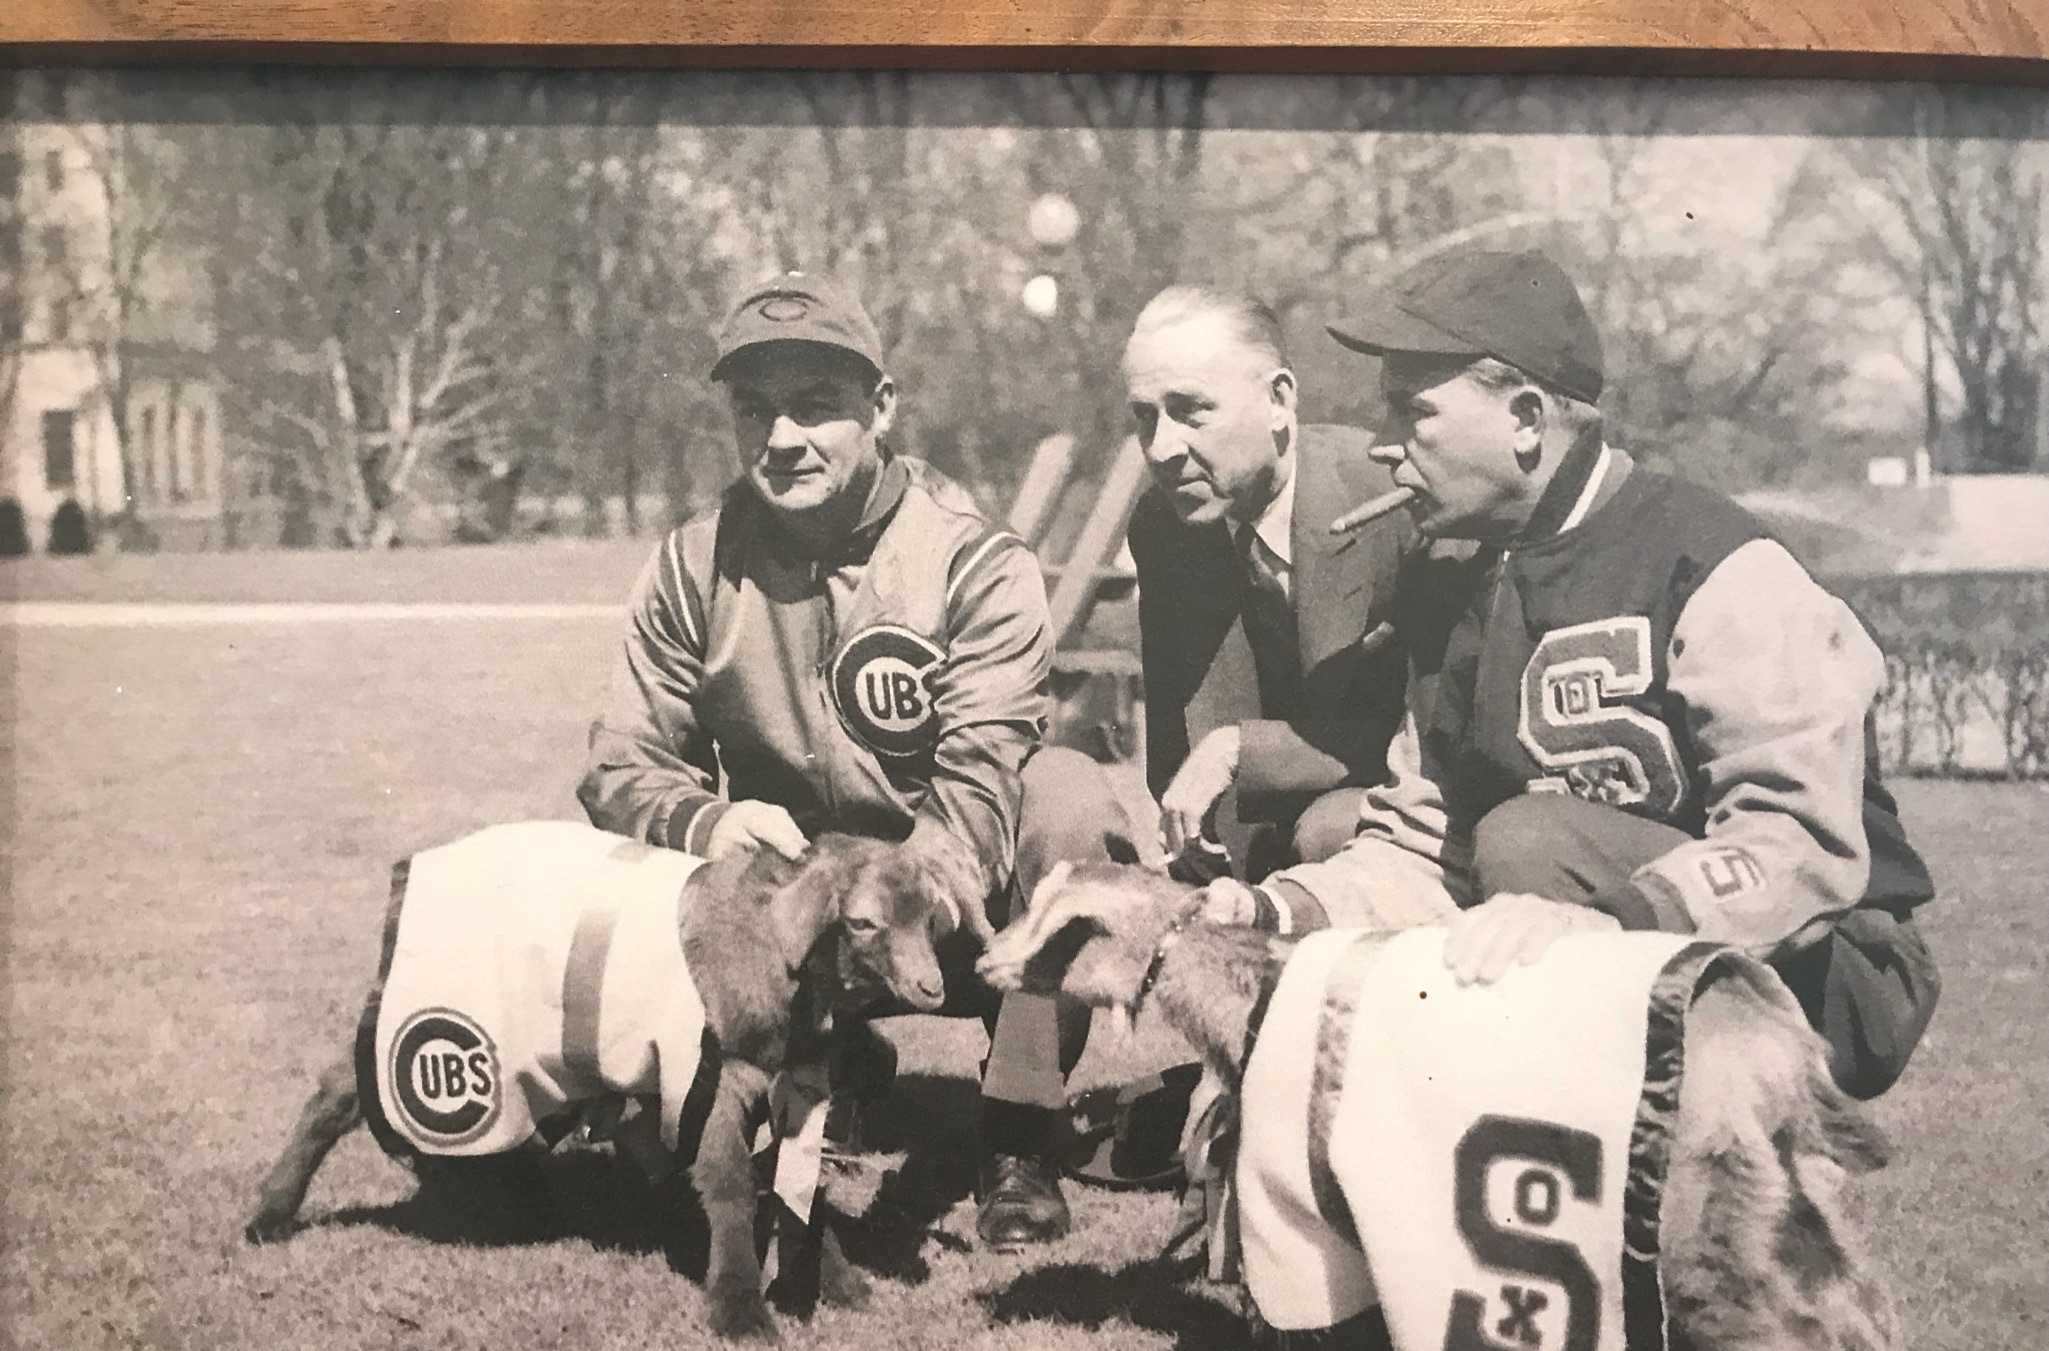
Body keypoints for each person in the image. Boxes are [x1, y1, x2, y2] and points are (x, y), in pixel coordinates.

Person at [1205, 248, 1939, 1100]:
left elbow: (1800, 848)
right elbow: (1423, 840)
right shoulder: (1454, 580)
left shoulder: (1709, 560)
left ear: (1523, 418)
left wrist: (1596, 926)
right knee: (1358, 840)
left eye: (1413, 413)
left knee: (1529, 840)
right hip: (1628, 946)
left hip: (1827, 972)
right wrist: (1272, 908)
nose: (1382, 446)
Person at [579, 271, 1136, 1246]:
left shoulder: (975, 560)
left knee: (1072, 804)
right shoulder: (694, 560)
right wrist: (706, 822)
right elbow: (619, 762)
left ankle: (1015, 1136)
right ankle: (824, 1065)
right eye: (755, 411)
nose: (780, 437)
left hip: (950, 921)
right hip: (791, 916)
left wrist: (882, 911)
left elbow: (978, 787)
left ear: (882, 408)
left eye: (815, 407)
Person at [1120, 286, 1416, 900]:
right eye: (1145, 416)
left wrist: (1239, 750)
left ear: (1279, 400)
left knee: (1326, 833)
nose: (1160, 448)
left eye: (1191, 410)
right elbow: (1179, 725)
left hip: (1381, 815)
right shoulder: (1164, 524)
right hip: (1253, 832)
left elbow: (1420, 734)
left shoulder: (1392, 499)